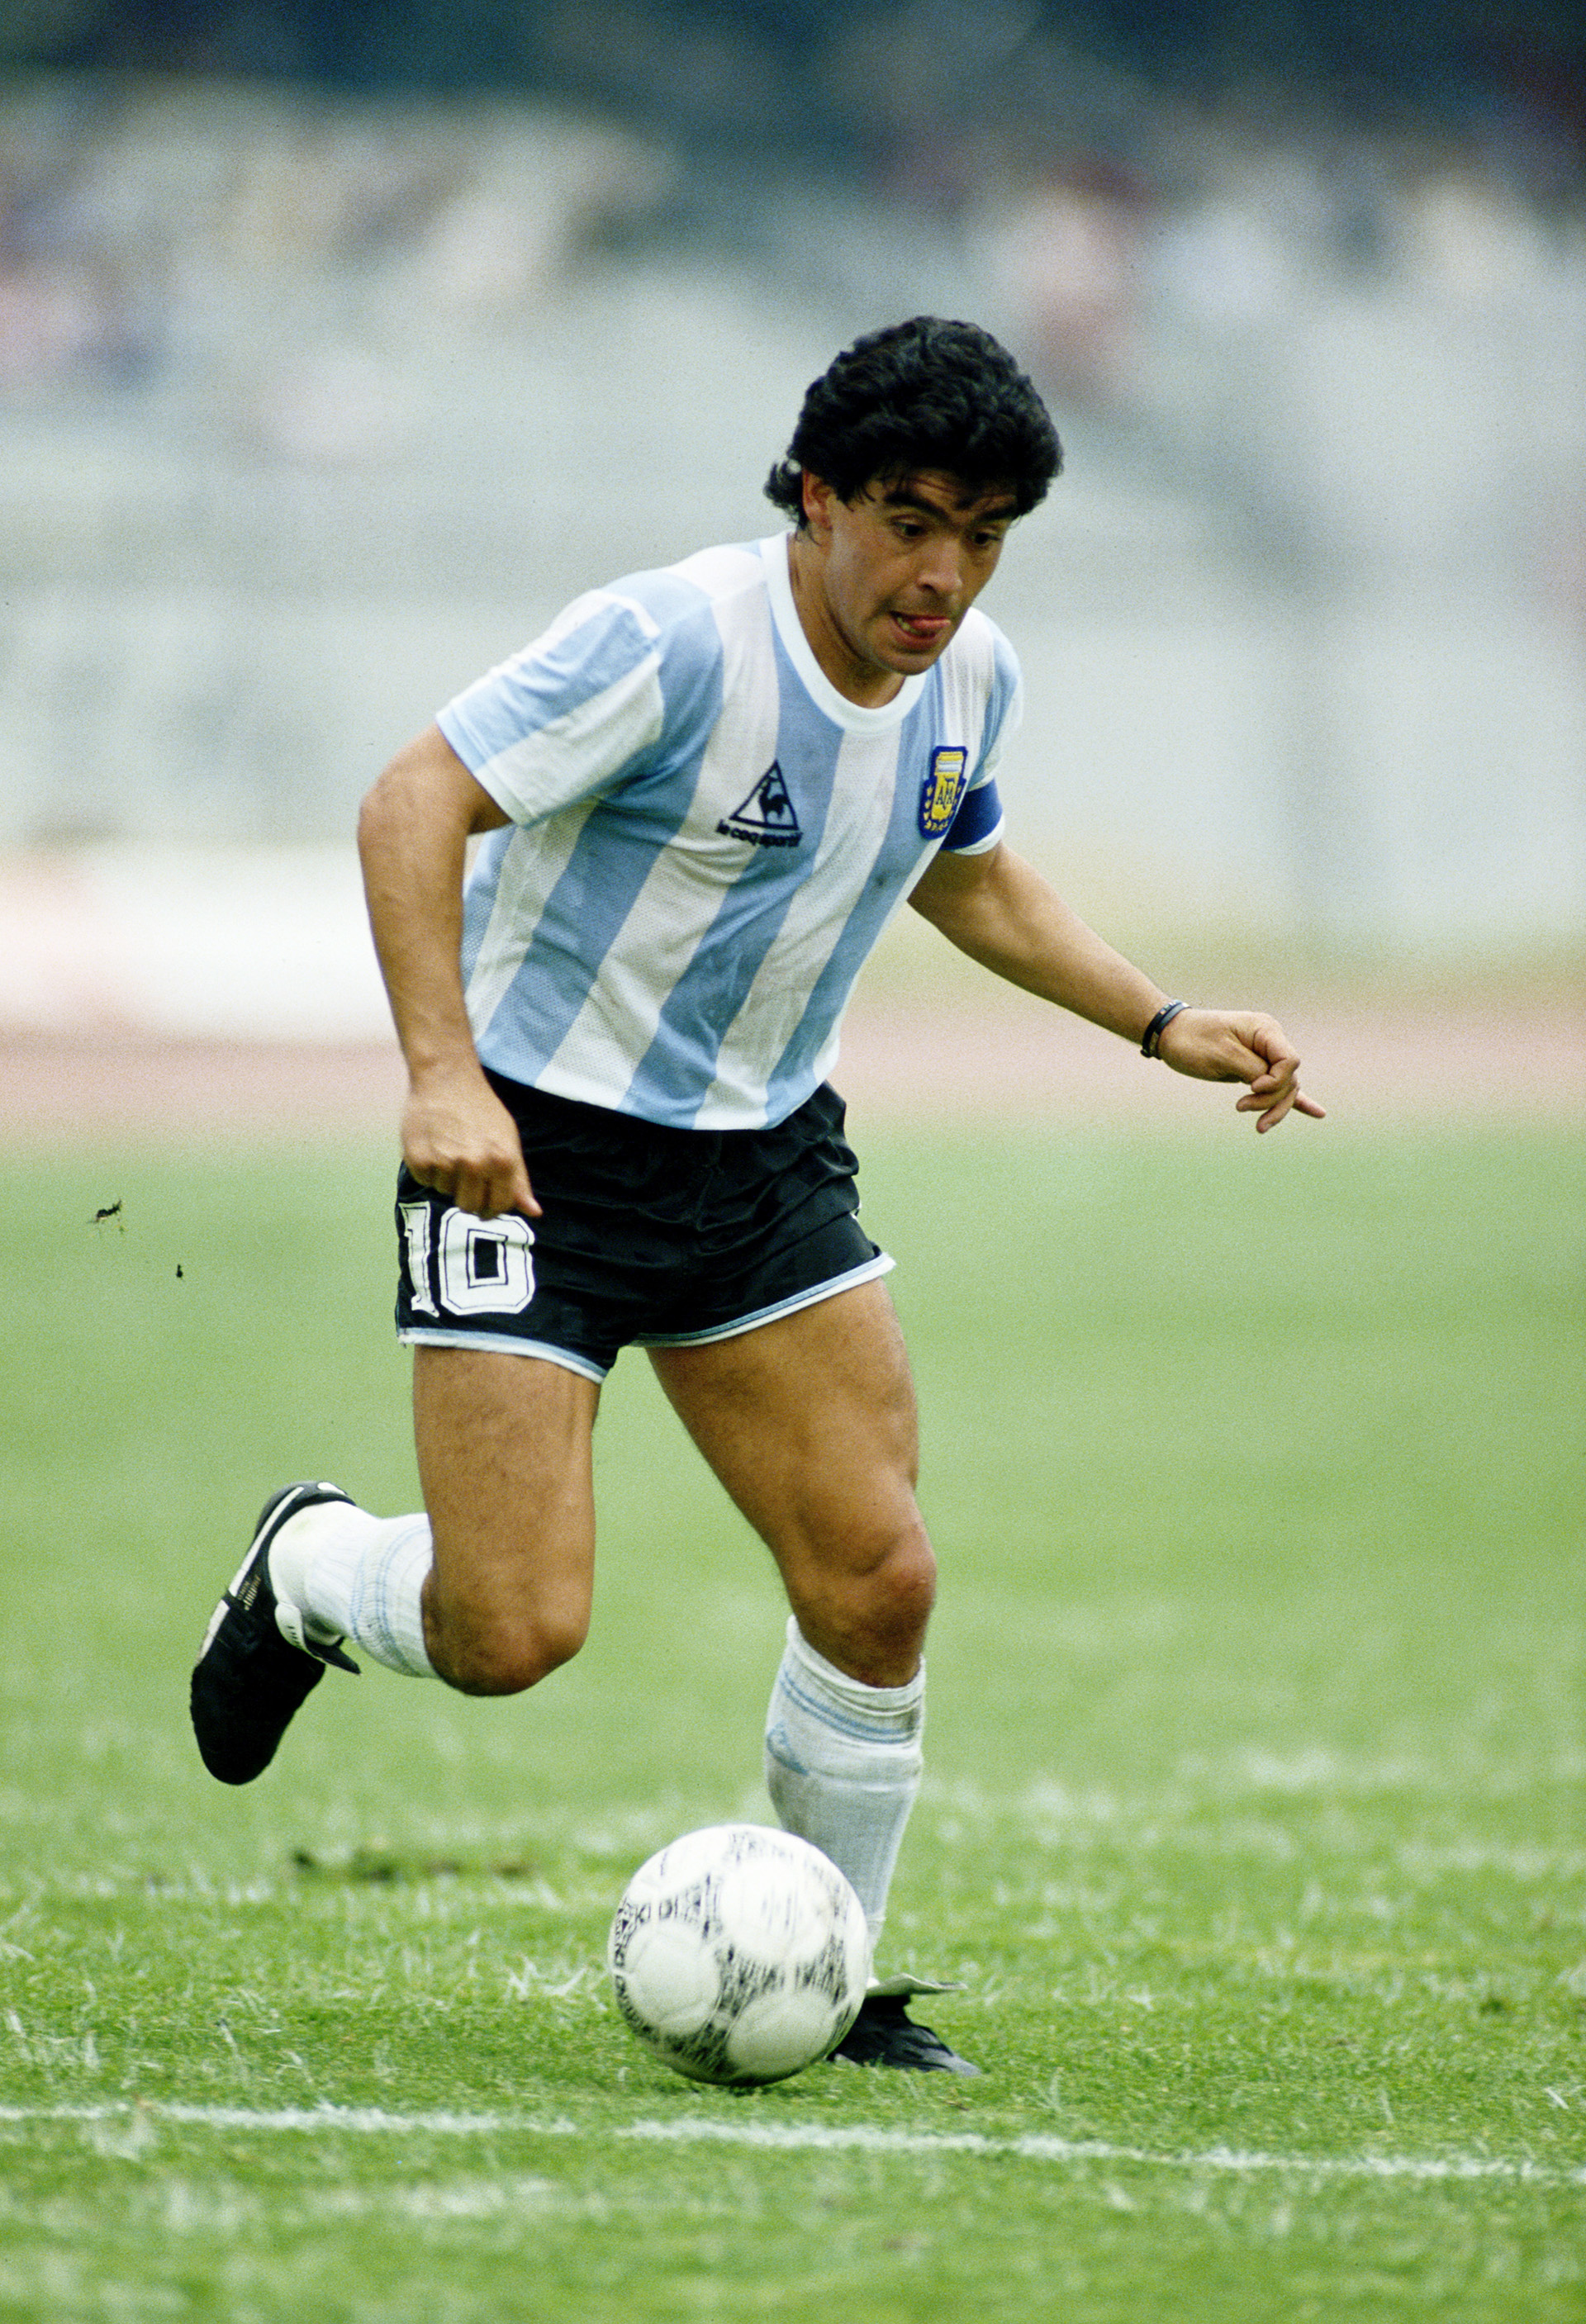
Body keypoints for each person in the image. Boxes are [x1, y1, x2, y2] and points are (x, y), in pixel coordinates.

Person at [191, 316, 1322, 2075]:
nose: (942, 572)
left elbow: (969, 868)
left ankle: (833, 1971)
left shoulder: (972, 678)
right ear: (816, 497)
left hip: (764, 1164)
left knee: (877, 1578)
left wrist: (1160, 1018)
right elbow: (414, 801)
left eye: (986, 534)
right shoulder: (671, 642)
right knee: (513, 1633)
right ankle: (310, 1566)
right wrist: (439, 1073)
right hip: (534, 1149)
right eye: (909, 516)